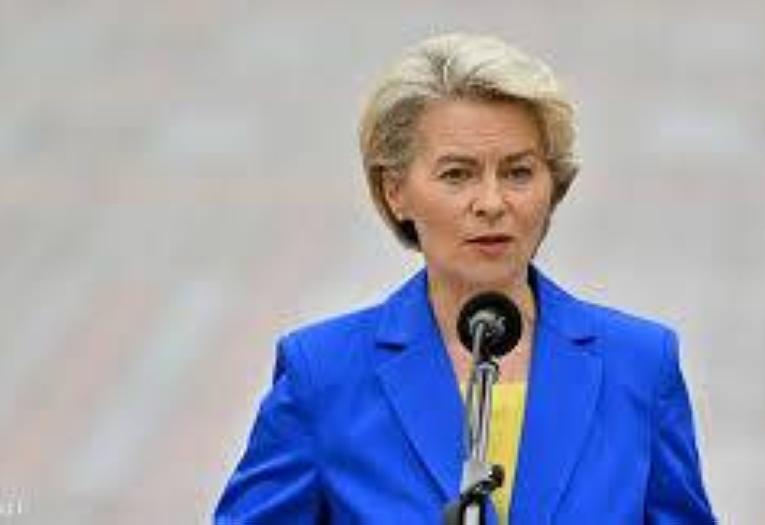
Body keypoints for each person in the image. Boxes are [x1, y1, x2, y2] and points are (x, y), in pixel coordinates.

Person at [215, 33, 715, 524]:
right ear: (395, 192)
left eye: (518, 173)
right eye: (457, 174)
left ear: (554, 185)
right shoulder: (323, 375)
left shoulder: (639, 365)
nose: (492, 203)